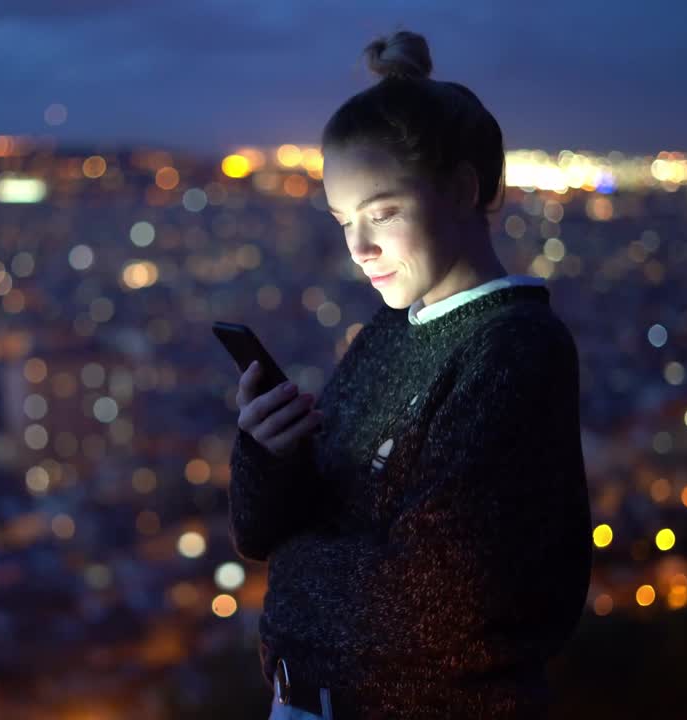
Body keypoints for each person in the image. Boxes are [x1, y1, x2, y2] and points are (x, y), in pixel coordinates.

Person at [227, 28, 593, 719]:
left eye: (382, 213)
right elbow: (260, 534)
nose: (359, 248)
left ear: (462, 189)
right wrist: (268, 453)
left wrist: (294, 570)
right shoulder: (389, 332)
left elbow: (438, 600)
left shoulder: (514, 349)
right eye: (343, 221)